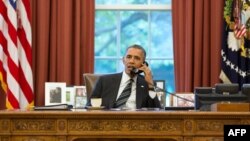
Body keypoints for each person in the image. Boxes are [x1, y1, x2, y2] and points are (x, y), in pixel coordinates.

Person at [89, 44, 161, 109]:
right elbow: (90, 106)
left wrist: (150, 85)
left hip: (136, 121)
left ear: (143, 64)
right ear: (123, 60)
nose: (131, 61)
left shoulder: (147, 84)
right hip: (109, 121)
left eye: (137, 58)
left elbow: (156, 110)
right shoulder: (104, 81)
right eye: (129, 57)